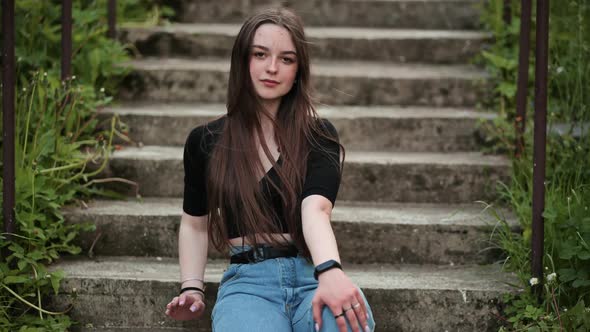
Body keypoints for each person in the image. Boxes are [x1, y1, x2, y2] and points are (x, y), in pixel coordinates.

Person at [164, 7, 376, 332]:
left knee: (346, 321)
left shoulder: (318, 136)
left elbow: (316, 209)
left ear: (298, 71)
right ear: (242, 60)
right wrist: (191, 286)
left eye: (287, 59)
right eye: (260, 54)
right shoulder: (205, 141)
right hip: (248, 285)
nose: (272, 68)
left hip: (311, 275)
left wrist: (330, 271)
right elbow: (195, 224)